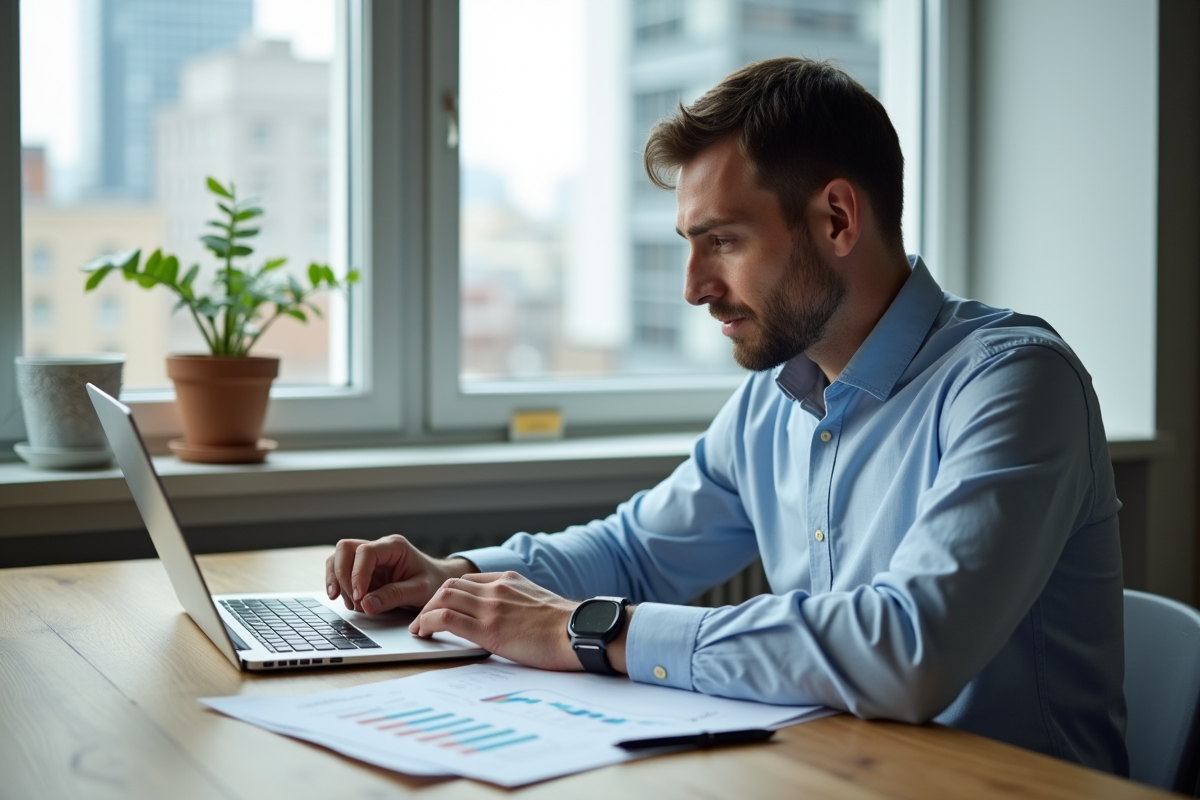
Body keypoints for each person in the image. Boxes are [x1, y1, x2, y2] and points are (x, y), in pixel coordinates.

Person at [326, 58, 1127, 775]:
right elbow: (637, 549)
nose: (692, 285)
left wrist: (591, 630)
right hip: (839, 772)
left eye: (723, 242)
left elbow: (906, 653)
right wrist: (457, 577)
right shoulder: (777, 393)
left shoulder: (1013, 382)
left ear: (838, 219)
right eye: (686, 243)